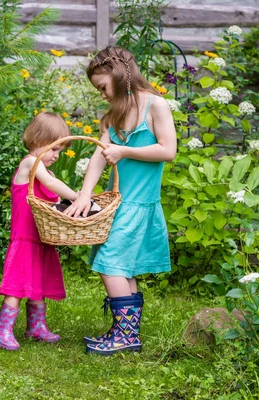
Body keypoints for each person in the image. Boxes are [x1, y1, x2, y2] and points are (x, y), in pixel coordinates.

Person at [63, 46, 177, 355]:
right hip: (118, 203)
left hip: (140, 204)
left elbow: (168, 150)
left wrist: (125, 151)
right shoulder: (111, 117)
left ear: (118, 75)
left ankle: (126, 334)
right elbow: (99, 157)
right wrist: (85, 194)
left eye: (102, 87)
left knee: (109, 262)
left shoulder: (156, 106)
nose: (101, 95)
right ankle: (126, 333)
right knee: (122, 267)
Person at [0, 112, 78, 351]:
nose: (56, 156)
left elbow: (52, 195)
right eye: (53, 149)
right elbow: (50, 186)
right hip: (25, 237)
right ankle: (1, 329)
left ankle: (36, 327)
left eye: (60, 151)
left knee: (37, 282)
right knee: (18, 284)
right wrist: (78, 197)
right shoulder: (30, 163)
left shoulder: (47, 171)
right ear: (37, 141)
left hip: (42, 238)